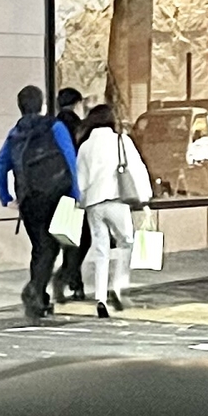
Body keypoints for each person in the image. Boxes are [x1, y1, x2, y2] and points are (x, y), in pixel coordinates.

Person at [0, 83, 79, 321]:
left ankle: (38, 298)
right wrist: (75, 193)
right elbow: (70, 159)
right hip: (57, 195)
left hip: (29, 199)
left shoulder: (15, 133)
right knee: (56, 246)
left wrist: (6, 197)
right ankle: (34, 290)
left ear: (20, 107)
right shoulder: (56, 127)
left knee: (40, 247)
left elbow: (0, 165)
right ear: (41, 104)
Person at [74, 103, 149, 318]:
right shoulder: (121, 141)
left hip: (94, 204)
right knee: (126, 241)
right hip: (117, 200)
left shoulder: (86, 146)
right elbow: (137, 169)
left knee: (101, 249)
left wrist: (80, 201)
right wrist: (144, 200)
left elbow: (80, 180)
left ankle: (100, 298)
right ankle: (118, 287)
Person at [53, 86, 92, 303]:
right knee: (82, 238)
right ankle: (66, 277)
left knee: (70, 238)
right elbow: (77, 158)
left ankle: (73, 283)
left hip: (54, 189)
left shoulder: (52, 125)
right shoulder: (78, 126)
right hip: (74, 188)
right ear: (77, 104)